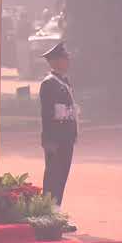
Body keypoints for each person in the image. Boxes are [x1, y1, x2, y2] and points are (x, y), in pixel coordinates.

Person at [39, 42, 78, 231]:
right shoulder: (49, 83)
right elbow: (46, 115)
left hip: (67, 137)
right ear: (55, 61)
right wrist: (48, 140)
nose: (68, 60)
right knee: (53, 178)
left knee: (61, 177)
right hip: (55, 139)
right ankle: (47, 217)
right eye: (65, 58)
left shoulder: (64, 81)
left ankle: (56, 215)